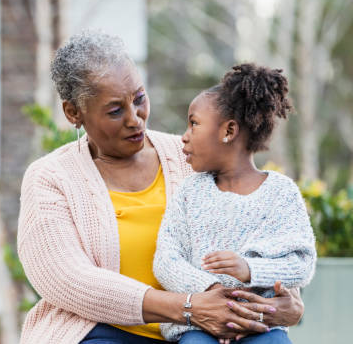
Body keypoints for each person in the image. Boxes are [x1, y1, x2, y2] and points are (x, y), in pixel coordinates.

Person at [17, 31, 305, 344]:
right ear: (73, 112)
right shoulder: (50, 178)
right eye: (115, 111)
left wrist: (286, 302)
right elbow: (68, 279)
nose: (135, 119)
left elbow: (251, 226)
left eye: (139, 99)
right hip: (102, 333)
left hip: (200, 334)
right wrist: (189, 307)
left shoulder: (194, 157)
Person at [153, 64, 317, 344]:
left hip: (262, 327)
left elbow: (302, 262)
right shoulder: (190, 192)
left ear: (228, 130)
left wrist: (251, 270)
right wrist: (213, 292)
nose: (184, 135)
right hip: (197, 328)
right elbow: (166, 260)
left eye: (194, 123)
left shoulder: (281, 193)